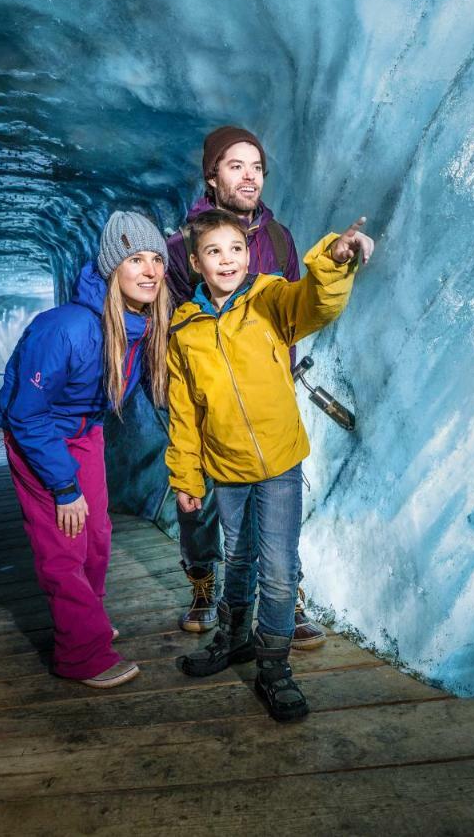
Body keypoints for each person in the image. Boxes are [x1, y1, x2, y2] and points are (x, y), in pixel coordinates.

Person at [166, 209, 373, 721]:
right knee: (236, 559)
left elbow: (314, 303)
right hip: (227, 469)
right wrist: (187, 477)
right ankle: (233, 639)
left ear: (248, 253)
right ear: (196, 262)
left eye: (235, 248)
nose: (227, 259)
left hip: (279, 463)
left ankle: (275, 666)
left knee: (278, 571)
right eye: (214, 251)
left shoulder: (270, 298)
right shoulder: (185, 329)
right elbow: (185, 412)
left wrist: (333, 261)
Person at [165, 125, 326, 651]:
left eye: (256, 166)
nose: (249, 176)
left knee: (276, 511)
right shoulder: (178, 247)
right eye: (235, 165)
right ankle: (205, 586)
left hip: (263, 396)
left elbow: (292, 311)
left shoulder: (278, 240)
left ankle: (285, 600)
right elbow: (170, 322)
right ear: (212, 177)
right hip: (205, 395)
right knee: (204, 508)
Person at [0, 211, 169, 688]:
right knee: (63, 543)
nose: (151, 270)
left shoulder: (139, 326)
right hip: (38, 434)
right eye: (136, 259)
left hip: (85, 431)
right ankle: (79, 654)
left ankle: (85, 620)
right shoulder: (67, 328)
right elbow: (26, 414)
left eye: (157, 259)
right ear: (114, 267)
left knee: (97, 534)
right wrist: (64, 486)